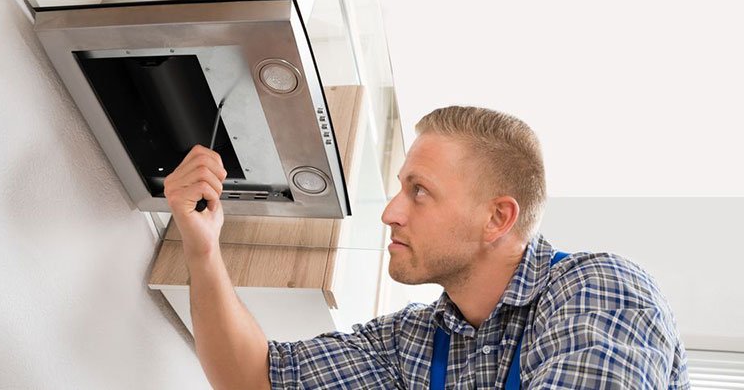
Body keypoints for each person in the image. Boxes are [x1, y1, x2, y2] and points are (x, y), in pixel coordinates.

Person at [164, 106, 690, 389]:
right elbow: (254, 378)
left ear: (497, 218)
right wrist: (203, 249)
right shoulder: (411, 343)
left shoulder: (599, 290)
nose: (391, 212)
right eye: (400, 188)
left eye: (419, 191)